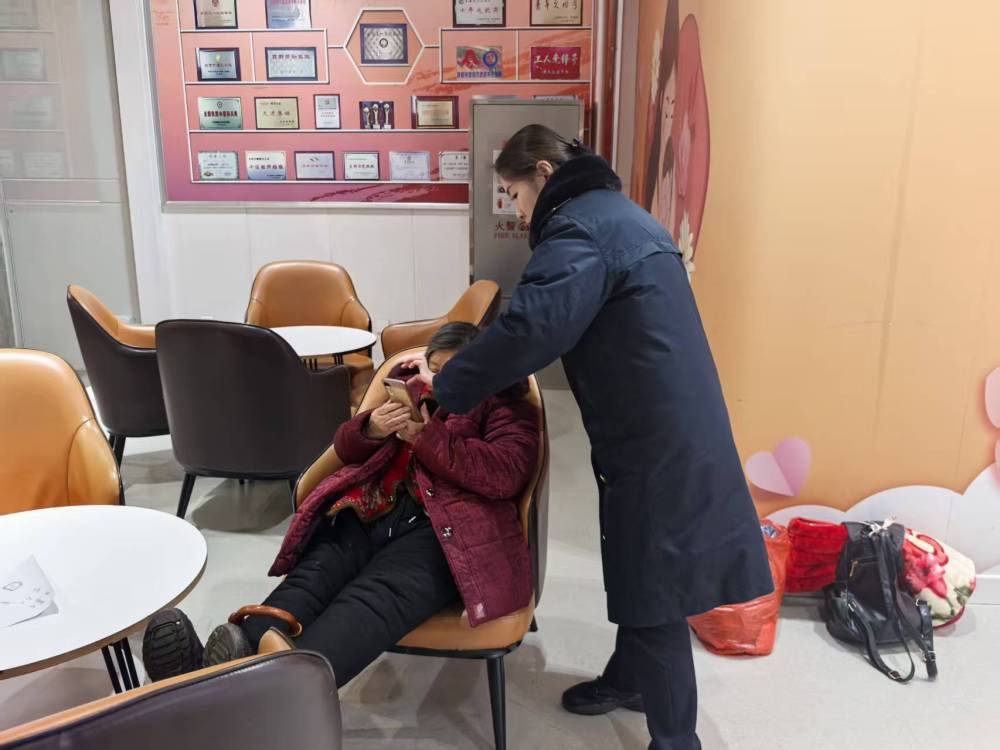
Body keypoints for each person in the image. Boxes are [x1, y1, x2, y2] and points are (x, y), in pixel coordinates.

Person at [401, 125, 773, 750]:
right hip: (663, 423)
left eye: (515, 195)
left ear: (543, 174)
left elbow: (531, 329)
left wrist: (447, 382)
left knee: (656, 581)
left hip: (655, 437)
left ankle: (676, 739)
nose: (517, 213)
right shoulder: (621, 217)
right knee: (639, 563)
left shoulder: (580, 231)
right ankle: (630, 680)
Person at [142, 322, 540, 686]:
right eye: (432, 367)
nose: (434, 380)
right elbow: (345, 448)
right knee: (309, 582)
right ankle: (214, 676)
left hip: (444, 534)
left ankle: (242, 688)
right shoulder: (410, 386)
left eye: (448, 373)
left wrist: (426, 438)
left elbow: (505, 473)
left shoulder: (505, 404)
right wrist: (372, 427)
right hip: (370, 509)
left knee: (370, 601)